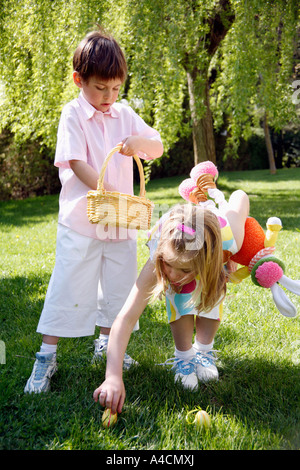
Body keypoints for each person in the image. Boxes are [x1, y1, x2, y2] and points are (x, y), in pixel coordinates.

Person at [24, 27, 163, 394]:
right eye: (101, 88)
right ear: (79, 80)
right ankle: (46, 355)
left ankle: (106, 342)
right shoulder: (72, 114)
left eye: (116, 89)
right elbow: (74, 161)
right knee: (69, 281)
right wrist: (108, 190)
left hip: (120, 221)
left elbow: (157, 147)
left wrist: (139, 142)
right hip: (83, 220)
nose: (109, 96)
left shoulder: (124, 113)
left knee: (118, 285)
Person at [93, 187, 249, 414]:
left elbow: (241, 198)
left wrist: (229, 258)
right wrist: (113, 377)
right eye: (169, 264)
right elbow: (125, 318)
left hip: (212, 241)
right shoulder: (161, 249)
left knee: (211, 289)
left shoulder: (230, 238)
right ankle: (184, 357)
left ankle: (204, 351)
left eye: (183, 268)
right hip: (181, 233)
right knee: (179, 294)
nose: (173, 274)